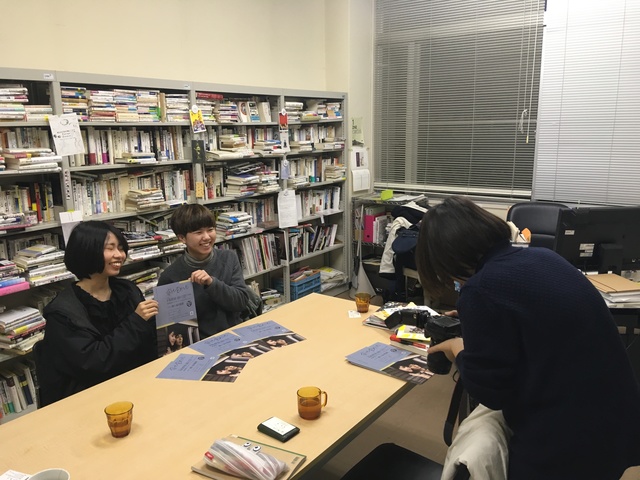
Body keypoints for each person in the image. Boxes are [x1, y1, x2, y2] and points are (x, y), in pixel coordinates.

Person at [416, 196, 640, 480]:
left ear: (445, 259)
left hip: (568, 441)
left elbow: (491, 392)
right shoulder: (544, 257)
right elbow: (531, 319)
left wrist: (458, 350)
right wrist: (473, 317)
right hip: (618, 419)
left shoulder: (482, 289)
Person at [35, 221, 158, 406]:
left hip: (138, 385)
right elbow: (94, 363)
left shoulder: (127, 290)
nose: (120, 255)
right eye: (110, 248)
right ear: (87, 251)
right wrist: (136, 322)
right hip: (92, 400)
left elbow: (149, 341)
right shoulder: (62, 313)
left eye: (121, 248)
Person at [157, 204, 251, 338]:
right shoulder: (170, 276)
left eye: (210, 230)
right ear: (182, 238)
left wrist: (211, 283)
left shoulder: (229, 258)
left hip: (234, 334)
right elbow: (172, 325)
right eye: (198, 232)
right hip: (200, 342)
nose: (207, 237)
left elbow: (241, 302)